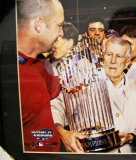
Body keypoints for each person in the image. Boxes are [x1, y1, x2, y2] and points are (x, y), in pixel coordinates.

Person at [17, 0, 64, 151]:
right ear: (39, 24)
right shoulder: (12, 74)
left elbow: (57, 89)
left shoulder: (38, 64)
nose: (61, 33)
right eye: (59, 25)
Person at [103, 37, 136, 153]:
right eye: (109, 54)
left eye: (119, 56)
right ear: (103, 57)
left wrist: (132, 136)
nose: (113, 60)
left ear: (127, 63)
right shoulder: (89, 87)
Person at [50, 21, 86, 152]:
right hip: (60, 132)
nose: (52, 46)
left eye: (56, 41)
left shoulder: (85, 68)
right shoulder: (51, 67)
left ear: (69, 43)